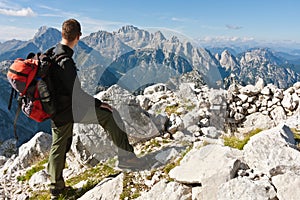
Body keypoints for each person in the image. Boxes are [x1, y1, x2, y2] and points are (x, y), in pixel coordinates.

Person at [47, 18, 146, 199]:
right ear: (78, 37)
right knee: (110, 115)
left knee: (58, 145)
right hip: (69, 109)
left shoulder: (52, 52)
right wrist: (99, 104)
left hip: (54, 109)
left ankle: (56, 189)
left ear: (62, 34)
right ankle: (127, 158)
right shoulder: (65, 60)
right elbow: (77, 94)